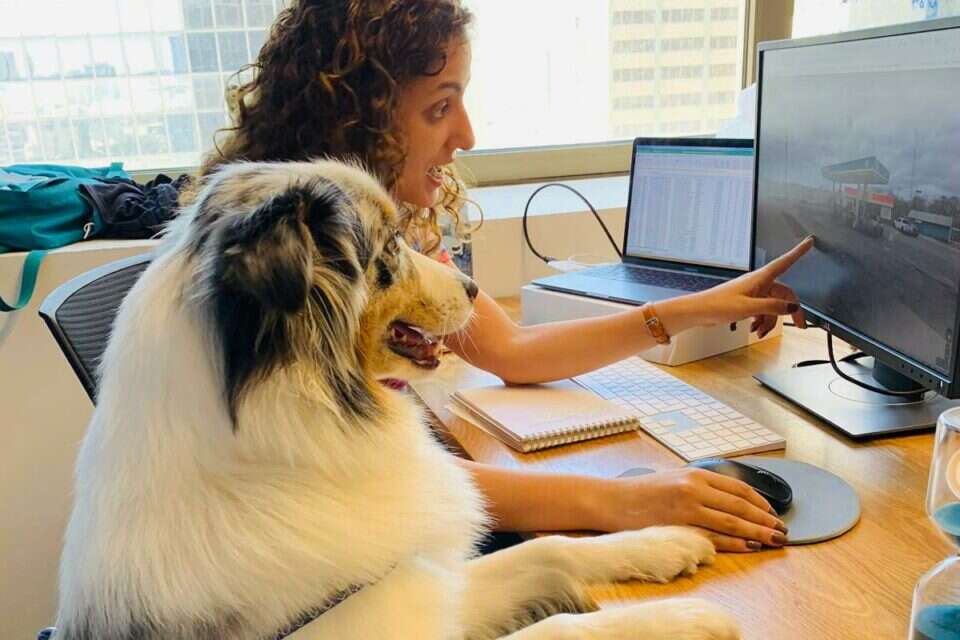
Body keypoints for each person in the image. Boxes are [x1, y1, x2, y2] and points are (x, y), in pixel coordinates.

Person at [196, 0, 812, 553]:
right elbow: (371, 484)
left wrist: (697, 308)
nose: (466, 135)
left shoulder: (374, 233)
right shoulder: (290, 265)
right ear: (360, 118)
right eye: (440, 107)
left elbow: (512, 350)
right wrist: (620, 500)